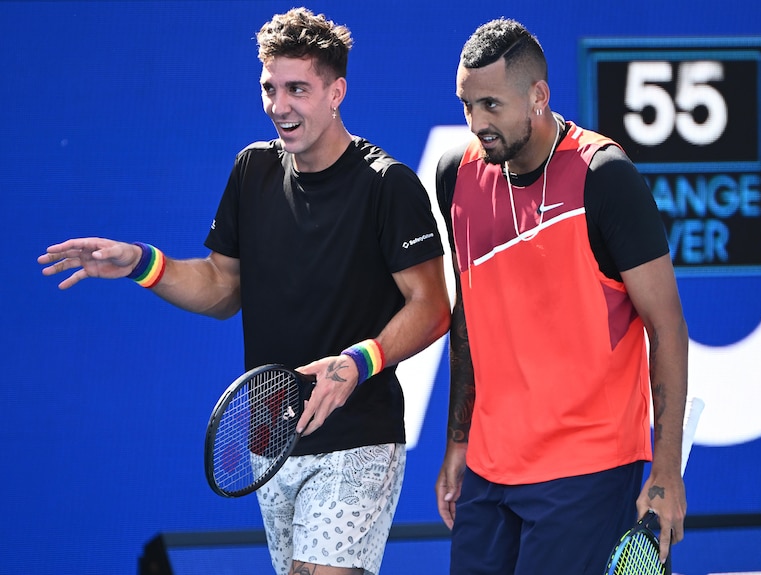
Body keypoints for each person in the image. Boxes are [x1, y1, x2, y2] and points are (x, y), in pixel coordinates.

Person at [38, 8, 450, 575]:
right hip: (271, 440)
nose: (280, 106)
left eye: (298, 89)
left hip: (357, 437)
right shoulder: (251, 171)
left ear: (337, 92)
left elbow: (432, 307)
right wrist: (141, 264)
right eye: (270, 88)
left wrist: (358, 362)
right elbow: (221, 286)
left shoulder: (388, 185)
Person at [434, 18, 689, 575]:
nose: (477, 123)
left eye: (491, 106)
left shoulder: (605, 176)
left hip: (589, 470)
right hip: (490, 468)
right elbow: (467, 315)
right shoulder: (455, 174)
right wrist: (459, 441)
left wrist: (666, 469)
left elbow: (666, 325)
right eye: (466, 105)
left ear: (538, 97)